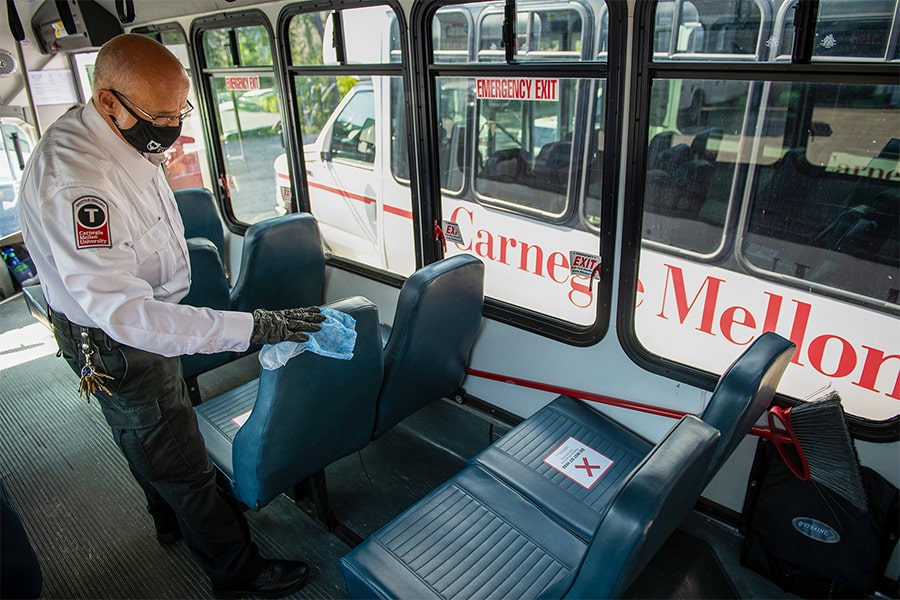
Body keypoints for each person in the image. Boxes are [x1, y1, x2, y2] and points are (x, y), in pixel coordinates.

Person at [17, 34, 325, 598]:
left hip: (143, 321)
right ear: (109, 101)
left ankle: (167, 517)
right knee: (178, 455)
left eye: (179, 110)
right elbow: (128, 317)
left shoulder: (121, 131)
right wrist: (257, 326)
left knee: (147, 434)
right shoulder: (78, 184)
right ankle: (236, 571)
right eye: (160, 116)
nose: (172, 128)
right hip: (118, 339)